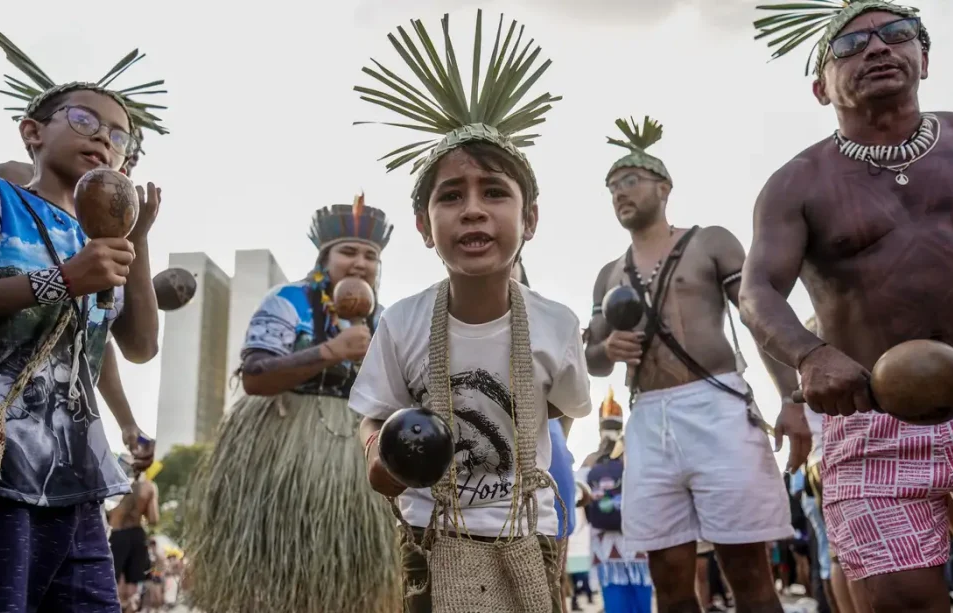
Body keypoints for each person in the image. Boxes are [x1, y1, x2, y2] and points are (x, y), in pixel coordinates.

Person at [743, 2, 953, 611]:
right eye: (850, 45)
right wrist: (810, 356)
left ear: (924, 60)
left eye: (897, 34)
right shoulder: (796, 184)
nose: (878, 48)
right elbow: (757, 290)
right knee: (901, 602)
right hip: (870, 415)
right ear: (820, 88)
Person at [351, 10, 592, 613]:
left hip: (528, 533)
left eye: (495, 192)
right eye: (451, 196)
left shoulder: (557, 325)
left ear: (529, 219)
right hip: (428, 534)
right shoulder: (402, 322)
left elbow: (562, 410)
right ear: (424, 226)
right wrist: (378, 453)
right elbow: (374, 413)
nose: (473, 210)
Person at [583, 114, 800, 612]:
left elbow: (759, 319)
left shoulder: (710, 241)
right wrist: (608, 348)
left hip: (716, 407)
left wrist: (791, 398)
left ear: (664, 186)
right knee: (669, 577)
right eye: (612, 187)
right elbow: (594, 362)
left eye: (630, 180)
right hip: (648, 417)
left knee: (747, 569)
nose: (620, 193)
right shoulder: (608, 275)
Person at [0, 61, 163, 609]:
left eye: (119, 136)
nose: (103, 137)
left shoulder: (99, 236)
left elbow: (140, 346)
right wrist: (66, 278)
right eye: (83, 120)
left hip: (77, 481)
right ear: (32, 131)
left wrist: (139, 237)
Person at [182, 197, 400, 613]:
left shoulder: (387, 319)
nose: (360, 263)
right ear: (324, 258)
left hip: (356, 456)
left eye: (370, 256)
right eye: (348, 252)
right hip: (282, 449)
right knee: (274, 578)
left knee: (354, 586)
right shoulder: (288, 301)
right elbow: (254, 376)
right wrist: (331, 351)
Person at [514, 256, 580, 609]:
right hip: (487, 475)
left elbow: (569, 408)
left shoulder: (546, 326)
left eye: (514, 262)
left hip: (547, 462)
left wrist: (560, 449)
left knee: (550, 583)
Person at [577, 387, 654, 613]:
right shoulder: (634, 457)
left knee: (616, 600)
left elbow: (580, 501)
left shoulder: (590, 461)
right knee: (640, 598)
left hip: (605, 545)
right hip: (636, 540)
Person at [108, 463, 160, 612]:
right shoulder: (149, 487)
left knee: (112, 579)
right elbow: (153, 519)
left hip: (115, 533)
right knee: (132, 585)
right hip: (136, 534)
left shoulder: (114, 480)